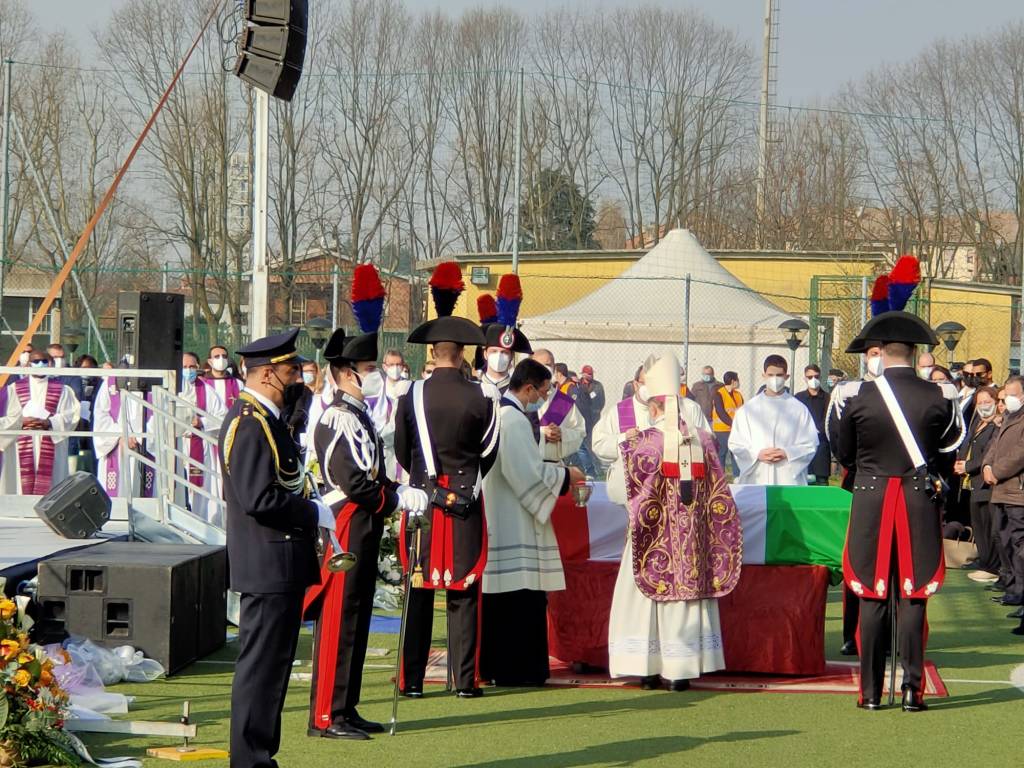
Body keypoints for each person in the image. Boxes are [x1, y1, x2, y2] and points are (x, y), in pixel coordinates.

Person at [304, 328, 427, 740]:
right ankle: (326, 714)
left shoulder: (360, 416)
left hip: (364, 521)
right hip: (345, 524)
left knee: (357, 617)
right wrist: (393, 501)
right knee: (339, 616)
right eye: (368, 368)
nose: (375, 374)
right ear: (344, 372)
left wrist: (400, 490)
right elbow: (353, 481)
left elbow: (372, 475)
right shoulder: (337, 417)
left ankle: (346, 706)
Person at [837, 311, 962, 711]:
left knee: (871, 596)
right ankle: (912, 691)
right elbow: (948, 450)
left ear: (881, 354)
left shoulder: (855, 395)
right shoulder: (941, 396)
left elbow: (843, 453)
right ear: (913, 352)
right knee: (913, 597)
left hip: (871, 499)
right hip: (917, 500)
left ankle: (871, 694)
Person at [220, 327, 333, 767]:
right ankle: (249, 761)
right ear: (268, 374)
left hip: (278, 563)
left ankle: (260, 757)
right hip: (267, 562)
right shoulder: (250, 424)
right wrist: (313, 514)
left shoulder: (268, 421)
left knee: (273, 670)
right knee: (260, 671)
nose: (296, 378)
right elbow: (258, 498)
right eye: (290, 370)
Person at [607, 352, 742, 690]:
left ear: (653, 406)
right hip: (691, 542)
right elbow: (719, 492)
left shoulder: (640, 443)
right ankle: (680, 671)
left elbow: (617, 490)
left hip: (648, 537)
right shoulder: (705, 440)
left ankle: (647, 668)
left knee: (643, 599)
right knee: (684, 595)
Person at [394, 267, 499, 699]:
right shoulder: (482, 398)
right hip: (465, 503)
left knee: (417, 592)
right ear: (461, 354)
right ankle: (463, 680)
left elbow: (402, 450)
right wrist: (463, 483)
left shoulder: (409, 396)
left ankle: (412, 681)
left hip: (422, 501)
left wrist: (424, 480)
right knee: (464, 593)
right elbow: (488, 454)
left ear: (434, 353)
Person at [480, 359, 582, 686]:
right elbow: (527, 474)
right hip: (513, 520)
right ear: (528, 388)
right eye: (542, 391)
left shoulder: (504, 414)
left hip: (503, 515)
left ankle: (499, 667)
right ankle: (518, 671)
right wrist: (567, 476)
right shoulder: (512, 420)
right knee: (519, 599)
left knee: (506, 601)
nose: (543, 397)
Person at [594, 362, 708, 505]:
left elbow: (708, 445)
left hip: (677, 496)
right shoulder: (618, 412)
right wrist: (624, 439)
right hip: (631, 498)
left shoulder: (689, 408)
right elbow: (599, 444)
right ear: (636, 385)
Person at [0, 349, 81, 495]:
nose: (41, 364)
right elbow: (5, 418)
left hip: (50, 441)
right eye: (36, 362)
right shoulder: (13, 389)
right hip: (21, 443)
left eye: (44, 361)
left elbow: (72, 415)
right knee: (19, 485)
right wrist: (20, 422)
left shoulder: (62, 390)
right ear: (28, 364)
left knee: (52, 488)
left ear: (50, 363)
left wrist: (50, 422)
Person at [729, 355, 818, 486]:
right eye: (770, 375)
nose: (775, 379)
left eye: (779, 375)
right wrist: (757, 454)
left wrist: (787, 453)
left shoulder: (798, 409)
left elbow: (810, 443)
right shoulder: (748, 410)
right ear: (763, 375)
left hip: (787, 476)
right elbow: (736, 443)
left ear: (786, 377)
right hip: (757, 475)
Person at [981, 376, 1024, 618]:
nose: (1006, 398)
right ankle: (1013, 589)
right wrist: (988, 466)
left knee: (1019, 544)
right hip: (1000, 491)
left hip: (1017, 491)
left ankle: (1020, 592)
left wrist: (997, 471)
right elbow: (994, 446)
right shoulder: (1008, 416)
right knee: (1003, 539)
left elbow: (1020, 453)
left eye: (1012, 393)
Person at [953, 386, 1000, 580]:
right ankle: (984, 560)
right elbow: (968, 445)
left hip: (984, 483)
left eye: (987, 402)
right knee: (978, 524)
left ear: (996, 402)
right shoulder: (978, 423)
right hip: (971, 482)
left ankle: (991, 566)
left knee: (989, 526)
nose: (983, 406)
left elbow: (988, 454)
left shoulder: (996, 426)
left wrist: (969, 466)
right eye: (979, 403)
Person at [179, 351, 227, 525]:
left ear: (198, 368)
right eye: (184, 367)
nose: (188, 370)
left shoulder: (206, 389)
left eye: (192, 367)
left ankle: (202, 524)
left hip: (199, 445)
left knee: (202, 491)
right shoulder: (170, 386)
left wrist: (202, 421)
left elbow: (223, 417)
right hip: (177, 444)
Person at [531, 349, 587, 466]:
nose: (544, 369)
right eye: (538, 365)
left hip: (554, 468)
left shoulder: (563, 401)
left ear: (554, 368)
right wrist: (541, 433)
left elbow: (580, 432)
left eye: (548, 365)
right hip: (525, 466)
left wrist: (562, 434)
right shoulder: (521, 396)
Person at [795, 364, 831, 485]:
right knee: (804, 482)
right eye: (809, 377)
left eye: (816, 376)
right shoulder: (798, 398)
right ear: (805, 378)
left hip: (821, 444)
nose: (813, 380)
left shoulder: (828, 398)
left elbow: (829, 419)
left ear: (820, 377)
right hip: (803, 445)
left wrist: (818, 429)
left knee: (822, 481)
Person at [711, 372, 743, 475]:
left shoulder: (738, 395)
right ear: (733, 381)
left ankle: (737, 475)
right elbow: (721, 412)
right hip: (721, 428)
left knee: (735, 451)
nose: (739, 382)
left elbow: (742, 410)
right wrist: (732, 423)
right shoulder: (719, 394)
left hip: (734, 428)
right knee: (723, 450)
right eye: (737, 379)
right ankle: (720, 475)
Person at [204, 344, 242, 410]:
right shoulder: (202, 383)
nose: (221, 359)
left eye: (224, 356)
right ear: (209, 361)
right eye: (217, 356)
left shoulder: (238, 383)